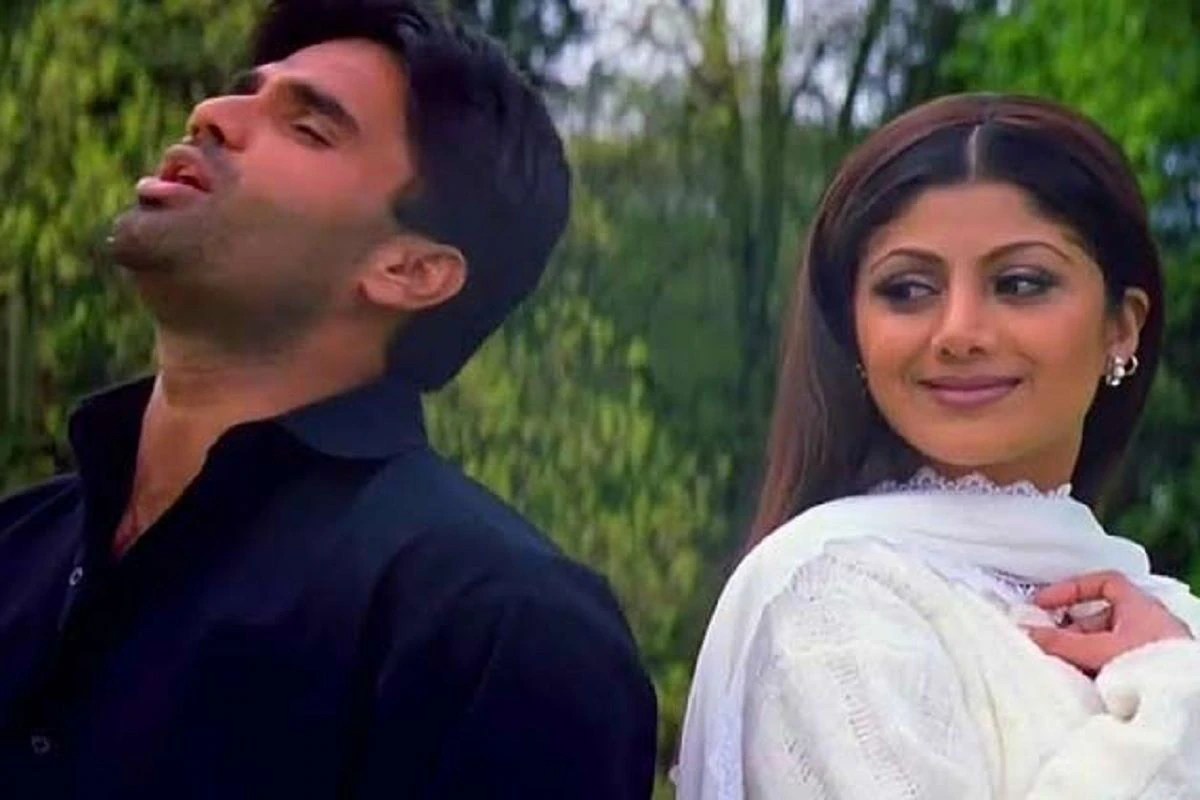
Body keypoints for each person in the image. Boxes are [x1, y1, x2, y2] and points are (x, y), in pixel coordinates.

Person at [0, 1, 657, 797]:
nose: (212, 114)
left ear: (409, 271)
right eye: (244, 89)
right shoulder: (18, 548)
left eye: (308, 128)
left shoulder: (501, 633)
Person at [676, 93, 1200, 799]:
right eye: (908, 289)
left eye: (1020, 283)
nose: (958, 332)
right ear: (855, 333)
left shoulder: (1165, 618)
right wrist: (1176, 712)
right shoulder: (832, 606)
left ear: (1123, 327)